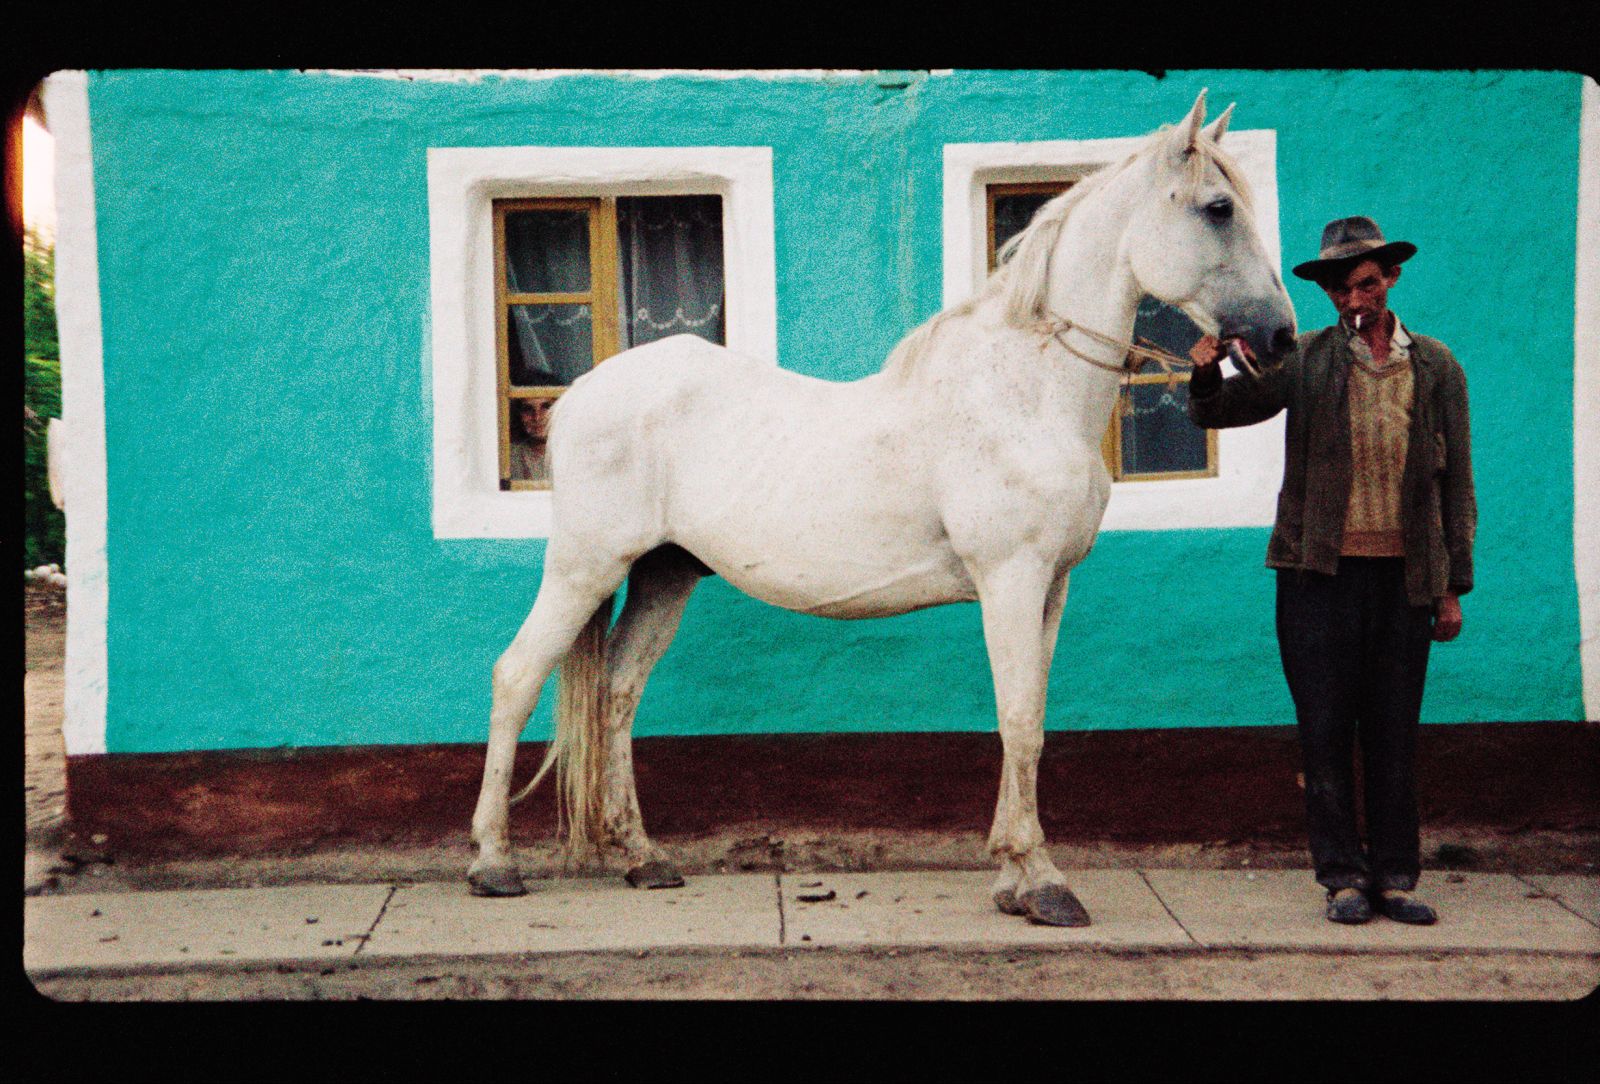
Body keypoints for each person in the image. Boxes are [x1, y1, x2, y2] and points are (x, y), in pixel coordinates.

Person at [1186, 216, 1476, 926]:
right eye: (1341, 289)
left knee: (1392, 734)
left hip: (1405, 583)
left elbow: (1457, 484)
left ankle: (1397, 877)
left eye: (1366, 284)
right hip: (1316, 578)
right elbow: (1226, 410)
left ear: (1391, 280)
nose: (1355, 299)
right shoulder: (1309, 359)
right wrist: (1204, 368)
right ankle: (1343, 876)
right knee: (1323, 732)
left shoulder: (1436, 366)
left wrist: (1451, 587)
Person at [509, 397, 553, 484]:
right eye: (528, 409)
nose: (537, 417)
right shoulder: (509, 457)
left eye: (546, 407)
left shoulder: (574, 454)